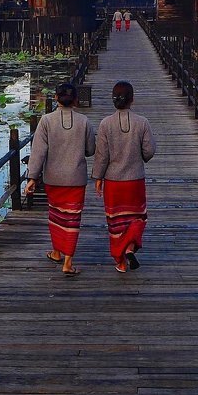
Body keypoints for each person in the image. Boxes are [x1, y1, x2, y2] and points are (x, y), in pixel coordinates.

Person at [25, 83, 96, 277]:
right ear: (75, 100)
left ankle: (56, 251)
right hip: (76, 178)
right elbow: (91, 150)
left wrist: (32, 177)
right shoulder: (84, 121)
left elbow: (38, 152)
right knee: (72, 218)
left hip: (53, 178)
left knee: (55, 215)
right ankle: (67, 262)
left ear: (56, 98)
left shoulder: (46, 121)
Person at [92, 81, 156, 272]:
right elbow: (149, 150)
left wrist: (98, 178)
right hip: (135, 179)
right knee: (137, 217)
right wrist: (142, 156)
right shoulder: (142, 122)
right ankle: (130, 246)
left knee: (116, 221)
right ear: (132, 100)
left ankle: (120, 261)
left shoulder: (105, 124)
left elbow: (101, 156)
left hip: (113, 181)